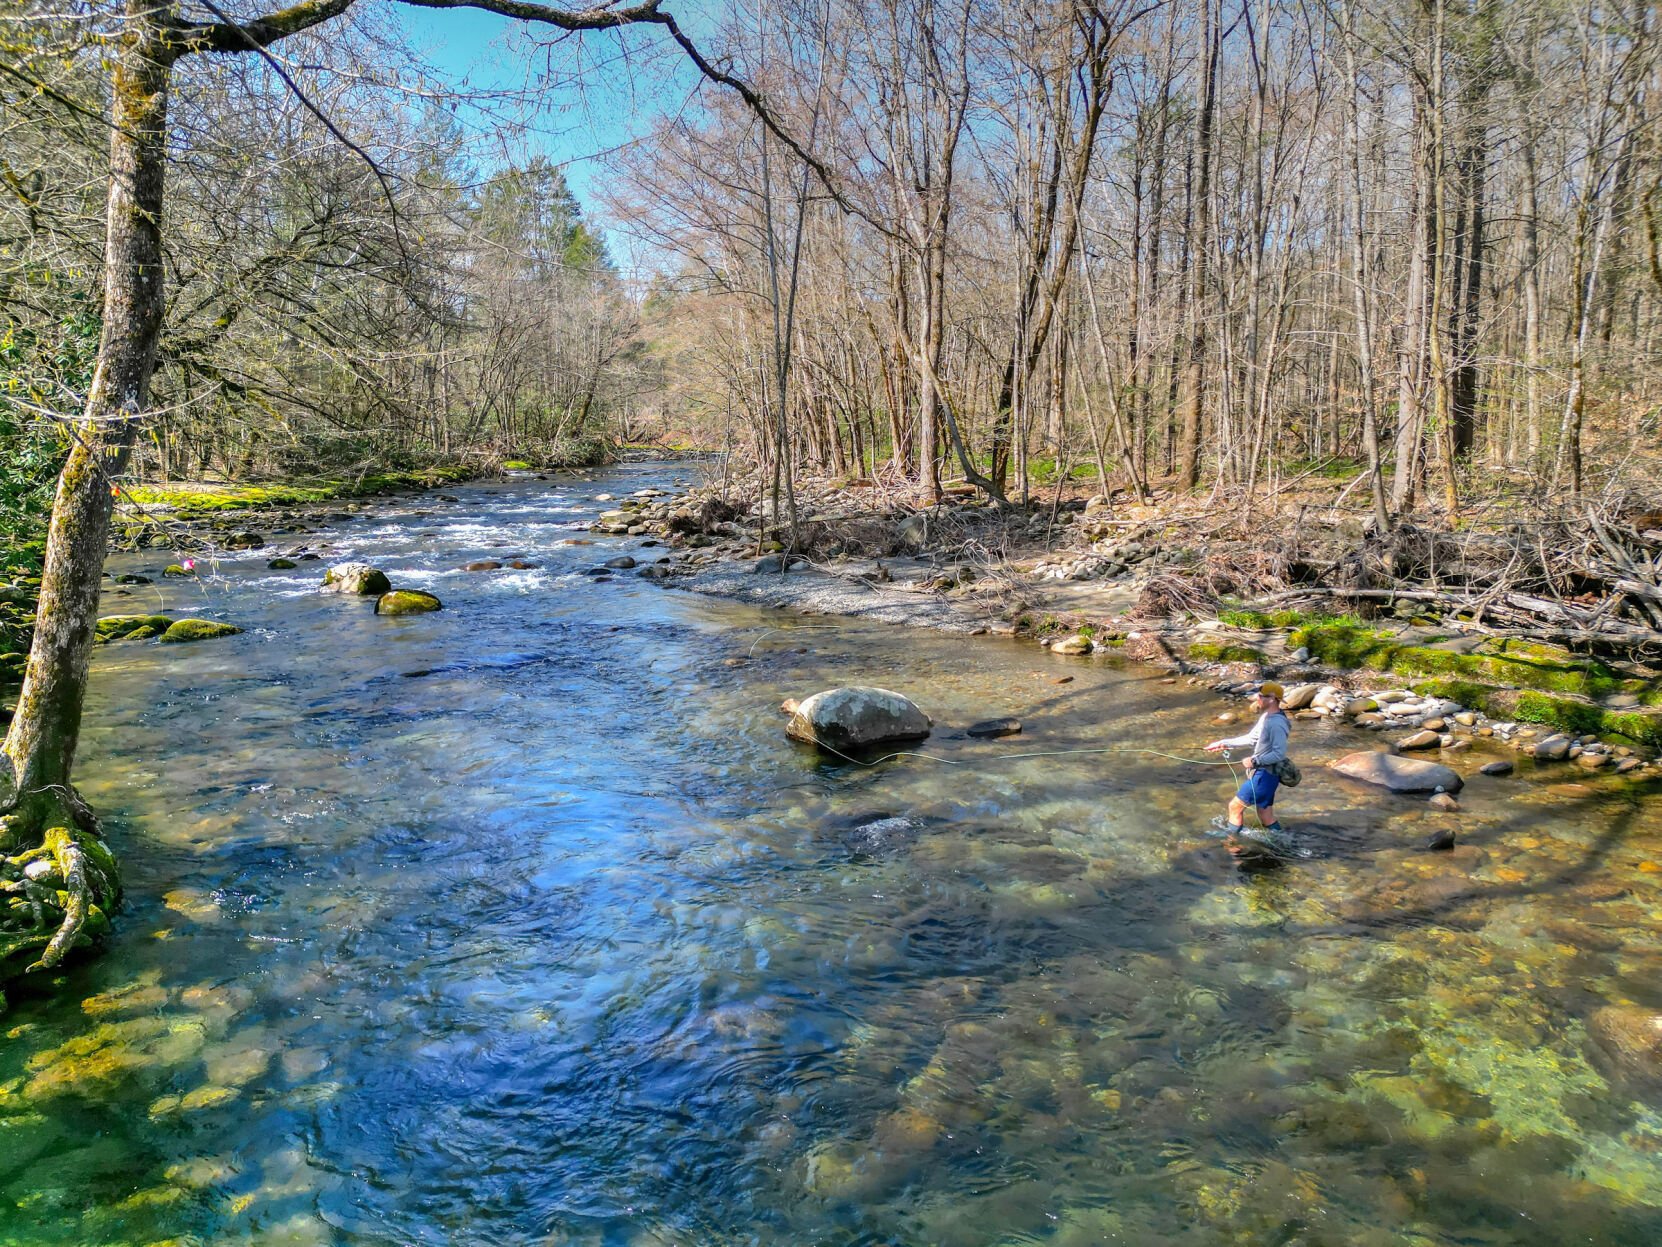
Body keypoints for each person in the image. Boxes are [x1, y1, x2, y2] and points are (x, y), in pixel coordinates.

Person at [1204, 682, 1291, 843]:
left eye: (1260, 696)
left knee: (1235, 807)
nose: (1257, 698)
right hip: (1266, 774)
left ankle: (1232, 842)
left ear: (1272, 699)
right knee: (1265, 814)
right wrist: (1224, 742)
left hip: (1266, 775)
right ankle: (1283, 842)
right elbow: (1251, 739)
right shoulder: (1267, 717)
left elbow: (1279, 754)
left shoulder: (1277, 723)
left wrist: (1254, 760)